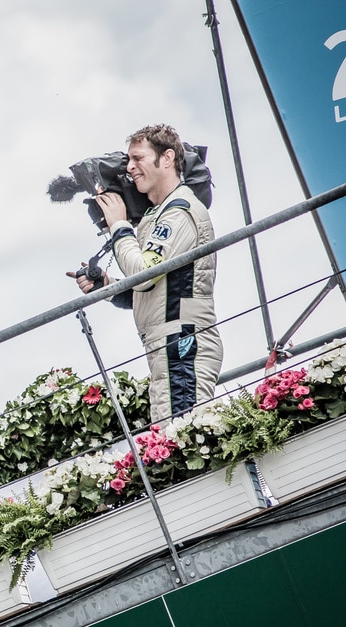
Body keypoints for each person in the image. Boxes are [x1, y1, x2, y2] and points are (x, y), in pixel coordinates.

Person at [68, 124, 222, 423]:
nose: (130, 167)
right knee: (172, 434)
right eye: (129, 160)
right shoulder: (158, 213)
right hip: (171, 344)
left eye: (137, 158)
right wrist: (106, 285)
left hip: (181, 343)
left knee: (181, 437)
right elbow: (149, 290)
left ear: (166, 159)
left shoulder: (179, 211)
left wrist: (119, 225)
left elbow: (144, 273)